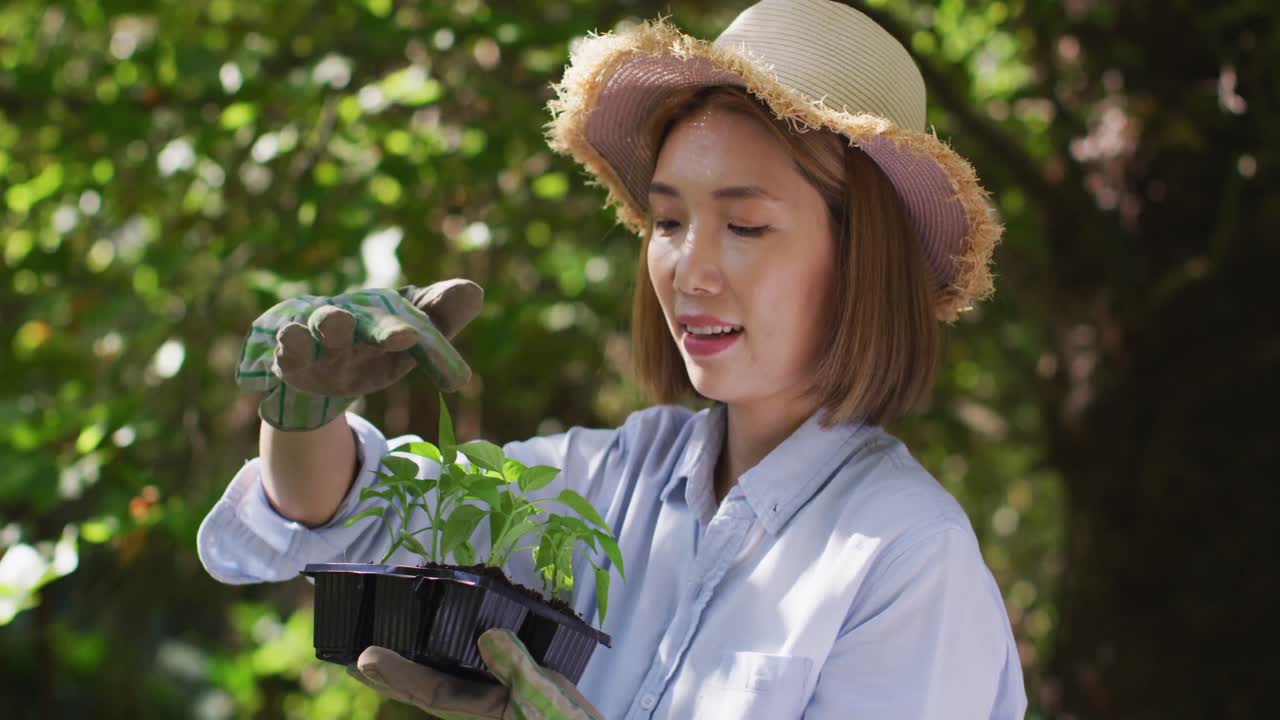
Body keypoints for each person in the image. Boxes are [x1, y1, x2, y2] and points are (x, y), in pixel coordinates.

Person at [198, 0, 1027, 717]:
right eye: (668, 223)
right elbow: (365, 515)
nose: (689, 272)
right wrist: (304, 412)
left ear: (859, 259)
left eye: (745, 226)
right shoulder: (616, 481)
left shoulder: (905, 561)